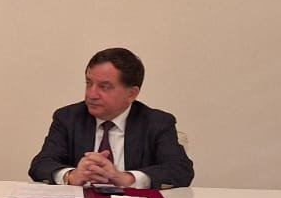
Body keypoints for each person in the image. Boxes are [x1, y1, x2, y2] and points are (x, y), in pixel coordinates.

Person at [28, 47, 193, 190]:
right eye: (88, 83)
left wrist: (127, 178)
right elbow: (41, 164)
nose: (91, 94)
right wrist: (71, 176)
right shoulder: (68, 118)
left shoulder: (157, 123)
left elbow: (180, 169)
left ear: (131, 94)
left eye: (104, 87)